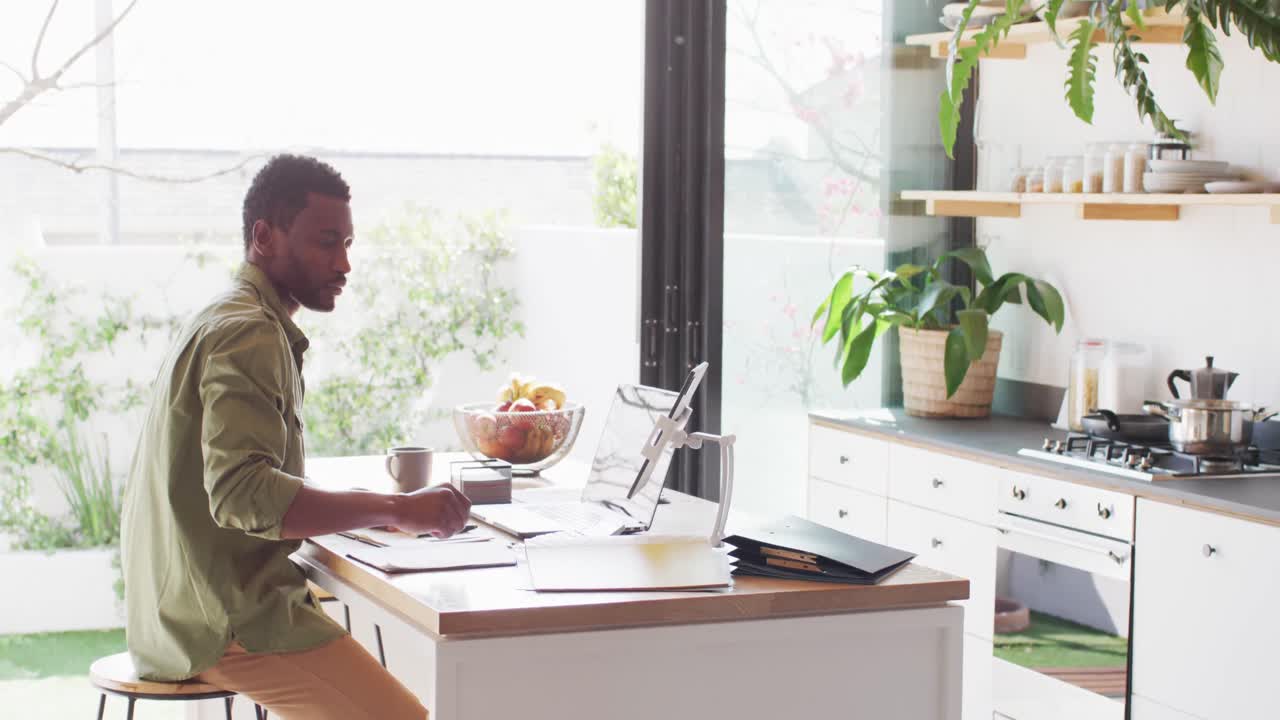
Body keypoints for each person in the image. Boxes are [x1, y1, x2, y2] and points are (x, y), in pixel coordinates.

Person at [120, 154, 469, 719]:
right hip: (224, 619)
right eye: (327, 242)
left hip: (179, 606)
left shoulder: (227, 314)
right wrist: (399, 509)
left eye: (349, 244)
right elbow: (241, 496)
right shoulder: (249, 332)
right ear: (264, 236)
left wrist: (382, 510)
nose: (344, 263)